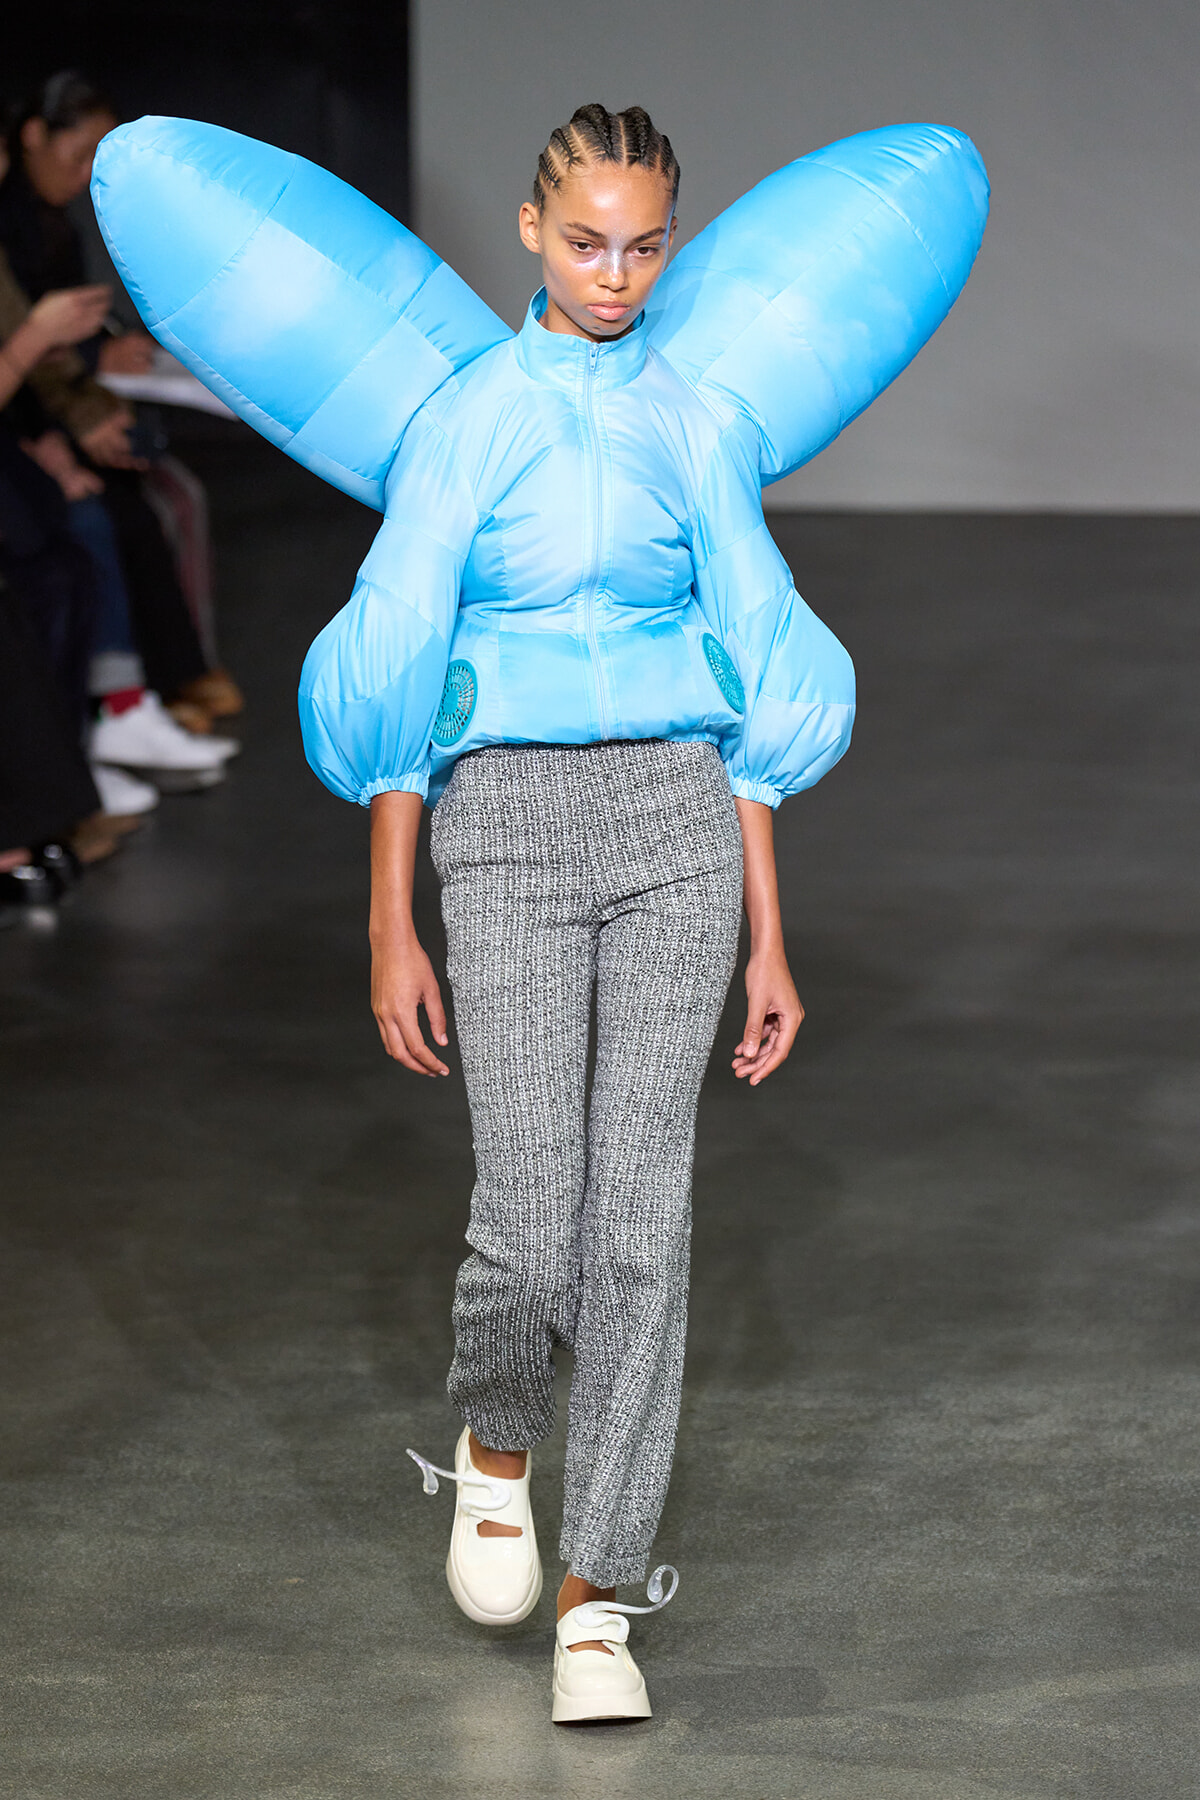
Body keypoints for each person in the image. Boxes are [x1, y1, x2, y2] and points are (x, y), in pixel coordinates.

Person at [299, 104, 854, 1723]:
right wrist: (388, 919)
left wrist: (770, 927)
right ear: (534, 238)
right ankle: (492, 1444)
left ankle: (599, 1599)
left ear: (670, 241)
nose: (616, 274)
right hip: (511, 831)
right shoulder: (470, 420)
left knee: (641, 1234)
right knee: (529, 1216)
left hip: (678, 822)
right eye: (588, 241)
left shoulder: (692, 421)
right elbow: (400, 652)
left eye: (646, 244)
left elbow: (753, 665)